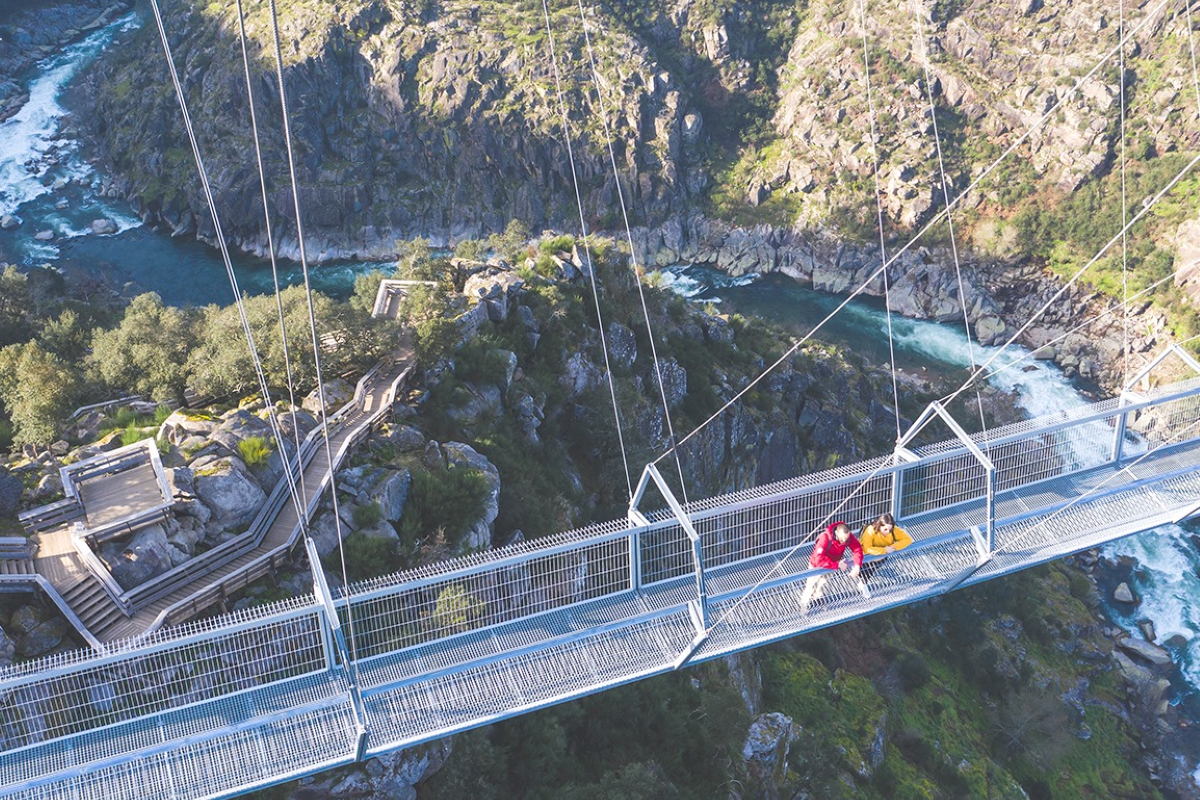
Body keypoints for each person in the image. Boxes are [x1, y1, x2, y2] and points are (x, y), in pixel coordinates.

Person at [800, 521, 868, 614]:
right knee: (811, 585)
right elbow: (818, 560)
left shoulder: (848, 537)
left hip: (832, 564)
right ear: (836, 533)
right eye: (843, 538)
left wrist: (857, 565)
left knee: (824, 583)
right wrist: (837, 565)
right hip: (816, 566)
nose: (844, 541)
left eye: (846, 538)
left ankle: (818, 598)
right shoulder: (825, 539)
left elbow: (857, 549)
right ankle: (804, 604)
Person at [858, 513, 912, 581]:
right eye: (885, 529)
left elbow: (908, 539)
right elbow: (867, 549)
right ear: (879, 526)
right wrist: (884, 550)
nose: (888, 531)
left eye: (890, 529)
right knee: (864, 573)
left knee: (870, 571)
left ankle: (864, 580)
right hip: (867, 557)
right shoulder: (871, 530)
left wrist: (892, 547)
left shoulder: (893, 530)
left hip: (881, 557)